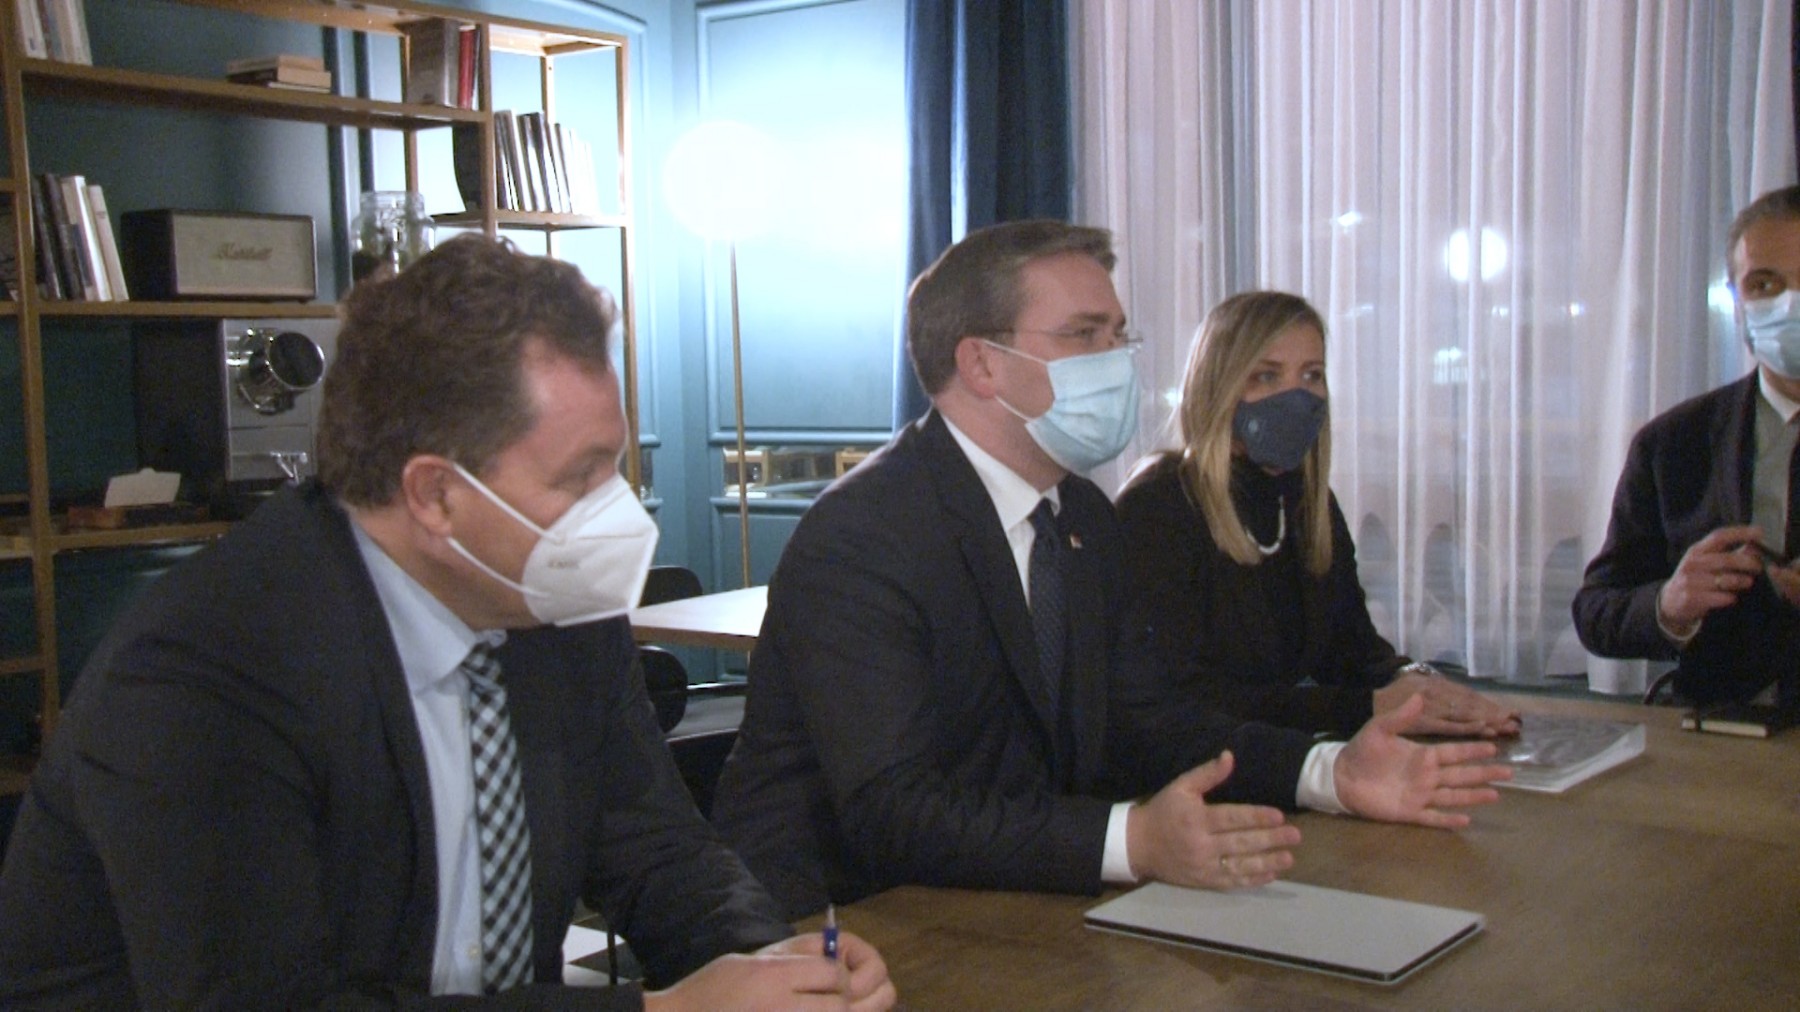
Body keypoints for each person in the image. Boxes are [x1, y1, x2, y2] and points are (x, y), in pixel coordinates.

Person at [0, 235, 894, 1011]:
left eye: (616, 467)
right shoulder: (207, 669)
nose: (618, 509)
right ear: (434, 494)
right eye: (579, 477)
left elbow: (659, 849)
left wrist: (770, 965)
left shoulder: (553, 605)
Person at [711, 220, 1511, 921]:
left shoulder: (1083, 516)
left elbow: (1149, 719)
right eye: (1085, 336)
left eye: (1120, 336)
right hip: (844, 923)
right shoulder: (865, 534)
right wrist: (1133, 839)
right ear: (982, 364)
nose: (1117, 362)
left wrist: (1330, 772)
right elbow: (895, 809)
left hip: (1016, 900)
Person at [1115, 291, 1521, 739]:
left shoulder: (1308, 502)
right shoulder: (1160, 506)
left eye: (1312, 375)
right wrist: (1365, 708)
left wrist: (1421, 688)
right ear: (1217, 385)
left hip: (1290, 758)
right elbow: (1181, 698)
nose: (1296, 396)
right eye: (1267, 376)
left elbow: (1352, 651)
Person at [1574, 185, 1800, 707]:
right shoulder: (1674, 443)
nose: (1789, 304)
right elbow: (1596, 610)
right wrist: (1670, 604)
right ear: (1737, 300)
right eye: (1764, 284)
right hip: (1719, 730)